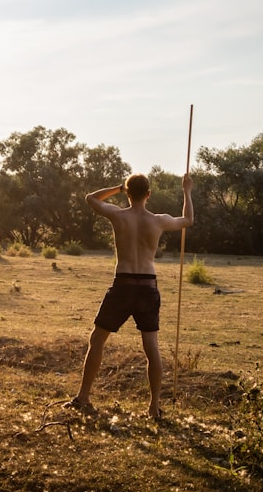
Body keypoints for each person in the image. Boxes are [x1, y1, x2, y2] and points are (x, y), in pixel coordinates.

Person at [66, 172, 193, 419]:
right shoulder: (159, 220)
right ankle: (153, 406)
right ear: (149, 194)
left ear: (128, 191)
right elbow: (188, 219)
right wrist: (186, 190)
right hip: (147, 286)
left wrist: (117, 188)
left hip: (122, 285)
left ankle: (83, 397)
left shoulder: (118, 215)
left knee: (98, 340)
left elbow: (91, 198)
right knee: (151, 347)